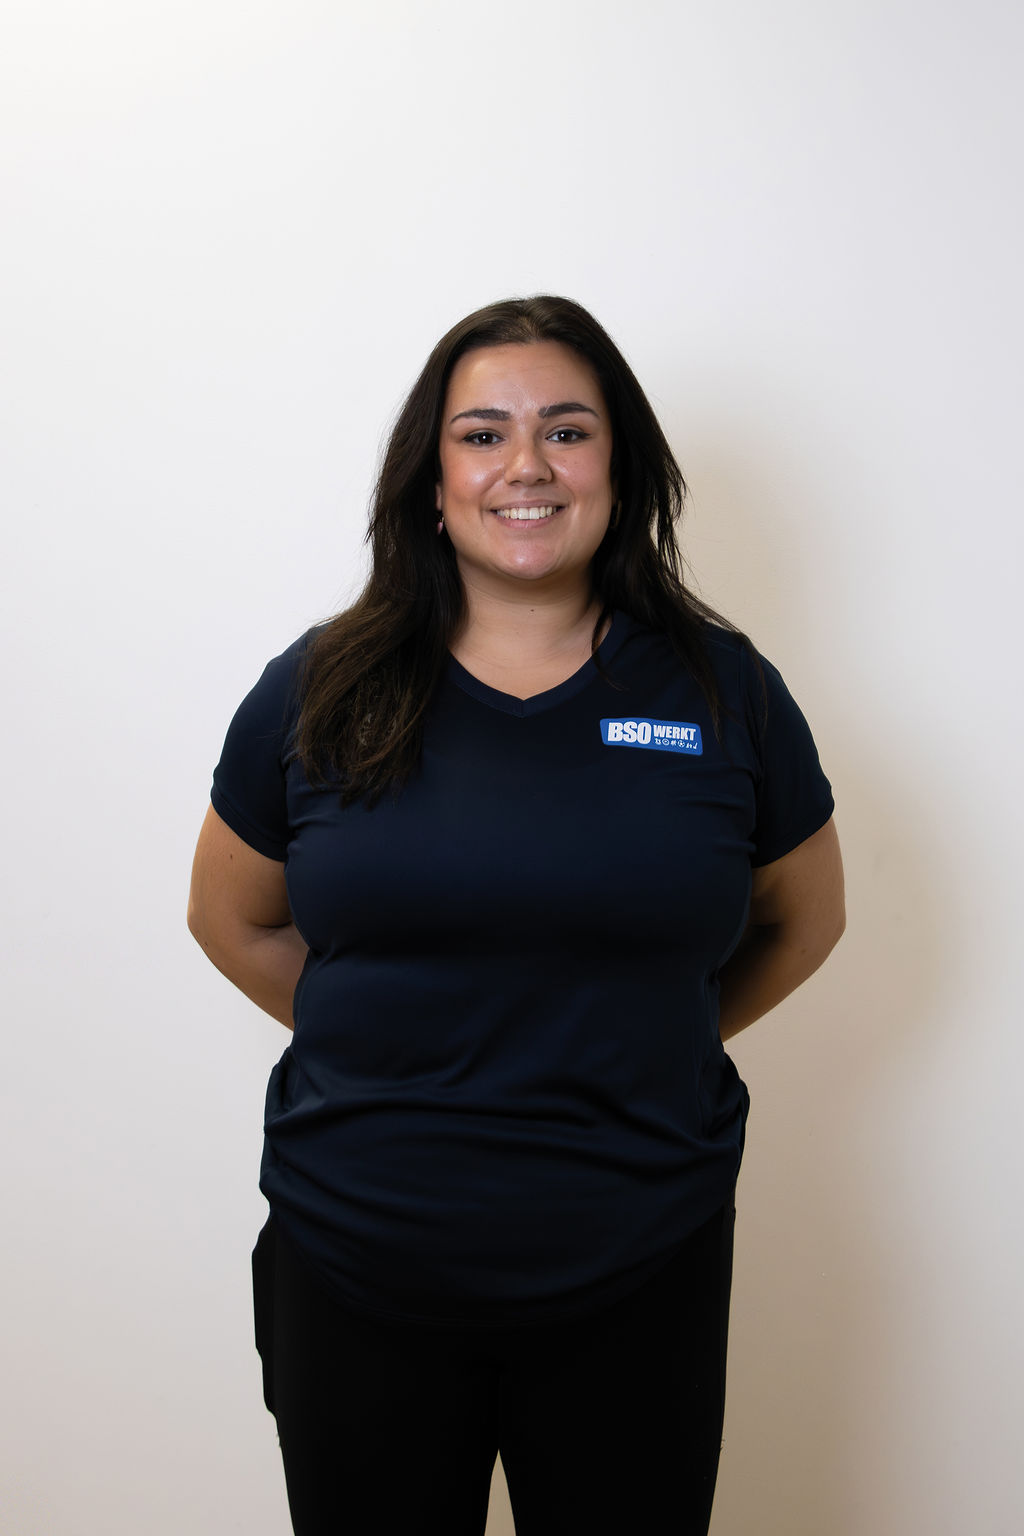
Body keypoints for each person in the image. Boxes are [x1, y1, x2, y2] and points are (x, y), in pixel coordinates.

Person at [187, 295, 845, 1536]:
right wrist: (401, 1046)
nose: (526, 466)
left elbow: (802, 921)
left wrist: (646, 1039)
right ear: (431, 481)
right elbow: (232, 920)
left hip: (640, 1255)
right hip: (357, 1254)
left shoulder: (722, 692)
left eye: (567, 431)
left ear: (620, 469)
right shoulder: (319, 688)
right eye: (483, 434)